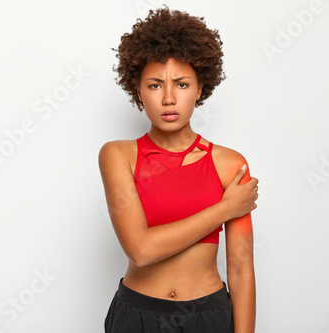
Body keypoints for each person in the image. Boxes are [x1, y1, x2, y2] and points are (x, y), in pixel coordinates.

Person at [99, 6, 259, 333]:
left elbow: (241, 269)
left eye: (182, 84)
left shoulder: (230, 164)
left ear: (200, 89)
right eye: (155, 85)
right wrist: (226, 208)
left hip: (209, 316)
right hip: (137, 315)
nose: (169, 98)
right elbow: (140, 250)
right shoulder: (119, 156)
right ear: (138, 91)